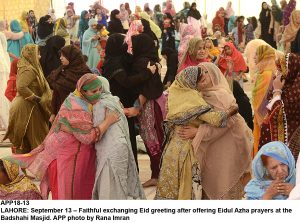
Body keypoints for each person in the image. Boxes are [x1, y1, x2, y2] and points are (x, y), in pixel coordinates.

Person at [9, 73, 119, 200]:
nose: (98, 94)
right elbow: (88, 137)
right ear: (82, 91)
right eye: (94, 91)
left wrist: (71, 129)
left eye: (100, 90)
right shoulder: (78, 109)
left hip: (61, 154)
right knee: (69, 196)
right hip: (67, 159)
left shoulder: (74, 98)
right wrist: (108, 121)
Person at [155, 66, 242, 200]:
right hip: (186, 150)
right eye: (199, 80)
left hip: (172, 147)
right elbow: (215, 119)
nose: (203, 81)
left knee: (172, 186)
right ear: (192, 82)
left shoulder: (175, 91)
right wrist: (232, 110)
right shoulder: (192, 98)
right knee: (187, 188)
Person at [102, 34, 155, 170]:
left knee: (129, 140)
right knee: (121, 141)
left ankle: (131, 176)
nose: (127, 46)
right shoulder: (113, 63)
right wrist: (148, 72)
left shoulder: (123, 60)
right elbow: (126, 82)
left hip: (126, 107)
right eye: (124, 43)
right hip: (118, 108)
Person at [92, 76, 145, 200]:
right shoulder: (115, 101)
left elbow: (96, 133)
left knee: (108, 186)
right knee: (119, 185)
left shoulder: (100, 104)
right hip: (122, 147)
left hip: (110, 151)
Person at [125, 34, 166, 187]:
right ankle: (159, 173)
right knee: (156, 138)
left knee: (151, 139)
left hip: (148, 105)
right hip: (156, 104)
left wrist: (137, 106)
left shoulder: (142, 62)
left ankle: (157, 175)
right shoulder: (152, 60)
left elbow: (147, 88)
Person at [4, 44, 52, 154]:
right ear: (31, 55)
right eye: (38, 54)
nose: (39, 56)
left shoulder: (30, 67)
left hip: (28, 105)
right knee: (36, 137)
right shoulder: (28, 69)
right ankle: (32, 166)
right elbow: (21, 87)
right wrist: (36, 98)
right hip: (26, 107)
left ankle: (27, 167)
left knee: (30, 138)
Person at [259, 53, 300, 161]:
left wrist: (277, 90)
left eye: (280, 70)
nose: (277, 74)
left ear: (290, 72)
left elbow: (277, 113)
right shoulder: (288, 89)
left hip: (293, 150)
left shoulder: (296, 93)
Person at [47, 45, 91, 118]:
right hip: (61, 110)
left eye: (63, 56)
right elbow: (56, 93)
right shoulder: (61, 70)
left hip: (79, 113)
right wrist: (53, 113)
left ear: (72, 57)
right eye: (60, 55)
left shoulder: (85, 73)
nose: (60, 58)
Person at [252, 45, 277, 157]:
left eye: (257, 54)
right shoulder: (267, 73)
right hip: (265, 117)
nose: (254, 57)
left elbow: (262, 100)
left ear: (263, 56)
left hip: (263, 118)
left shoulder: (266, 75)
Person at [0, 31, 10, 130]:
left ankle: (7, 125)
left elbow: (4, 49)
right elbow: (5, 49)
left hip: (2, 67)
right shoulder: (1, 34)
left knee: (2, 96)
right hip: (2, 66)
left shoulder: (1, 34)